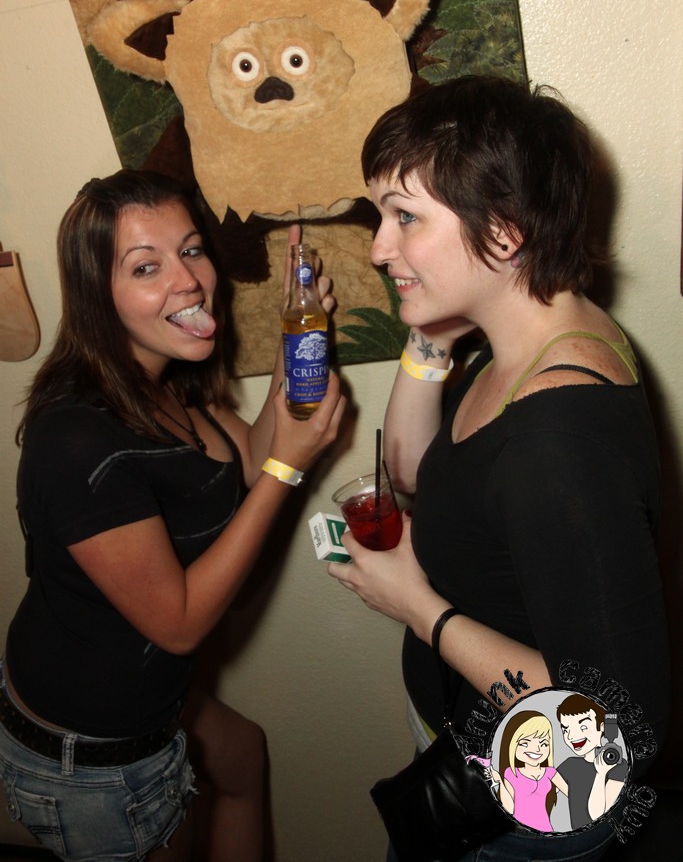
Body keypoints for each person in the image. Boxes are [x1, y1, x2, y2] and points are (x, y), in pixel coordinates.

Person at [327, 75, 670, 861]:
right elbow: (412, 471)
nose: (378, 247)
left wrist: (417, 607)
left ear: (504, 231)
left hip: (524, 804)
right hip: (466, 740)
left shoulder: (556, 440)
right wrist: (429, 337)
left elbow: (617, 729)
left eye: (404, 217)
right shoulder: (532, 334)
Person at [0, 169, 345, 862]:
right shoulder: (76, 442)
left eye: (190, 250)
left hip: (150, 695)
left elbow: (248, 457)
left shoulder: (167, 383)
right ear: (98, 295)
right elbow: (180, 623)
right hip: (92, 753)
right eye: (145, 267)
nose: (187, 280)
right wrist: (289, 469)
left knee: (242, 755)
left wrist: (297, 334)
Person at [488, 710, 568, 833]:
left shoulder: (550, 772)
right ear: (512, 745)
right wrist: (499, 781)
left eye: (543, 743)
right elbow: (509, 809)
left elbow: (573, 795)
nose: (536, 749)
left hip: (546, 830)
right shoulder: (511, 774)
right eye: (525, 743)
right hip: (519, 831)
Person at [556, 694, 628, 829]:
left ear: (602, 727)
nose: (571, 736)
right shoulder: (570, 764)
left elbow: (597, 816)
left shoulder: (618, 766)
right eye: (565, 730)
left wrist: (601, 773)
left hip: (600, 833)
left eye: (583, 727)